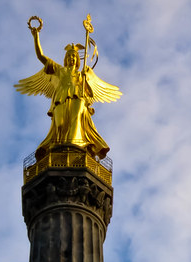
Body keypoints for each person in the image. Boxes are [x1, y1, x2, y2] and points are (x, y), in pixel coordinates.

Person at [15, 15, 122, 159]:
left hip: (78, 98)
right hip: (61, 97)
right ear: (66, 59)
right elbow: (41, 56)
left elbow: (89, 93)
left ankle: (75, 147)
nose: (72, 58)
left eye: (74, 57)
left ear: (78, 60)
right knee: (59, 124)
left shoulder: (82, 74)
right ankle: (59, 147)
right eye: (69, 56)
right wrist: (36, 36)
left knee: (76, 119)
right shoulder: (59, 70)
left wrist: (86, 79)